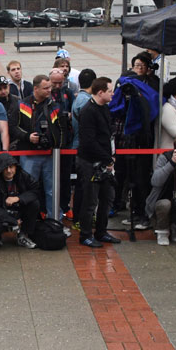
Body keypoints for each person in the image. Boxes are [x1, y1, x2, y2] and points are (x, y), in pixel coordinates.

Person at [11, 74, 69, 215]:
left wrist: (57, 146)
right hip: (29, 155)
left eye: (50, 87)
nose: (49, 90)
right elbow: (13, 127)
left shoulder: (54, 106)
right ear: (35, 89)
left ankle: (54, 221)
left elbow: (63, 129)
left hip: (50, 155)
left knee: (52, 190)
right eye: (45, 88)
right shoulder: (21, 104)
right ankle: (29, 222)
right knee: (28, 190)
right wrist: (28, 137)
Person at [76, 78, 121, 248]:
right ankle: (86, 235)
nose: (113, 93)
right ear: (100, 92)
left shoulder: (105, 108)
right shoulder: (88, 111)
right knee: (90, 201)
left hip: (105, 162)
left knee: (107, 198)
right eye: (110, 91)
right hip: (90, 163)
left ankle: (101, 231)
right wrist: (107, 158)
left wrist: (111, 157)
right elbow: (88, 141)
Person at [0, 152, 40, 249]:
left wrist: (19, 198)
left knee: (34, 204)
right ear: (0, 170)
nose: (9, 171)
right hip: (1, 213)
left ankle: (23, 235)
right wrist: (12, 220)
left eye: (11, 167)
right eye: (5, 168)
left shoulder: (22, 176)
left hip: (17, 207)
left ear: (16, 167)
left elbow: (36, 190)